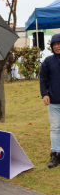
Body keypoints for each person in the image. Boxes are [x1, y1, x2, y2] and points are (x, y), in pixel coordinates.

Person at [40, 33, 60, 168]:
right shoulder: (47, 61)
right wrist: (44, 94)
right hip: (53, 102)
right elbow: (43, 79)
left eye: (59, 44)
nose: (57, 46)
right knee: (55, 128)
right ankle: (55, 154)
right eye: (55, 45)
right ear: (52, 47)